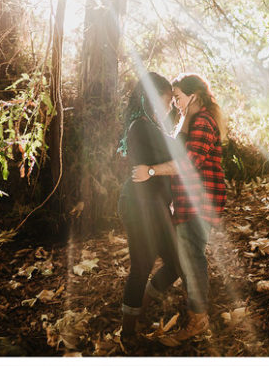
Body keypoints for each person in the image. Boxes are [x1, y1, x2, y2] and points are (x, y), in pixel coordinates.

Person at [131, 73, 227, 345]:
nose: (175, 104)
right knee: (180, 258)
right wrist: (184, 116)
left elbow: (189, 163)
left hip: (200, 200)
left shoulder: (204, 122)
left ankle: (198, 320)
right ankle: (145, 308)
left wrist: (151, 171)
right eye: (172, 99)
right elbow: (176, 146)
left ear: (193, 96)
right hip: (188, 202)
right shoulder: (194, 120)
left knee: (192, 258)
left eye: (178, 98)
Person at [117, 72, 181, 341]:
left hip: (155, 207)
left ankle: (140, 308)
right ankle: (128, 333)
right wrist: (160, 170)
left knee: (177, 263)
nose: (169, 108)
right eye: (167, 101)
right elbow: (157, 166)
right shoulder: (141, 126)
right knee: (142, 266)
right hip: (140, 206)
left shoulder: (148, 124)